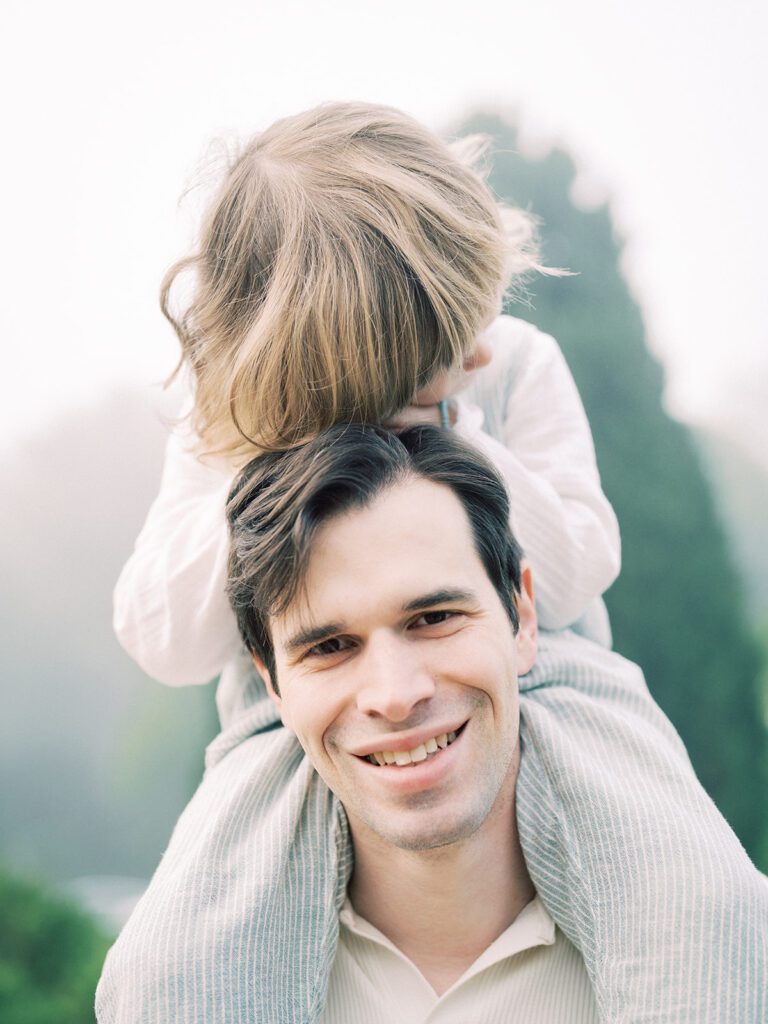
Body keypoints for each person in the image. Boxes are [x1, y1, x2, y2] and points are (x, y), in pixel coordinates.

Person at [97, 104, 765, 1022]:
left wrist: (443, 426)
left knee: (691, 894)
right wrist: (274, 454)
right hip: (282, 729)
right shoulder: (227, 429)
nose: (477, 344)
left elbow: (571, 571)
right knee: (170, 966)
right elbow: (164, 639)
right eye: (432, 347)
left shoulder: (511, 366)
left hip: (555, 690)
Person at [99, 425, 767, 1022]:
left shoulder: (698, 957)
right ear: (270, 681)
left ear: (523, 618)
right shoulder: (200, 982)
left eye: (434, 618)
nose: (394, 695)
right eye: (329, 647)